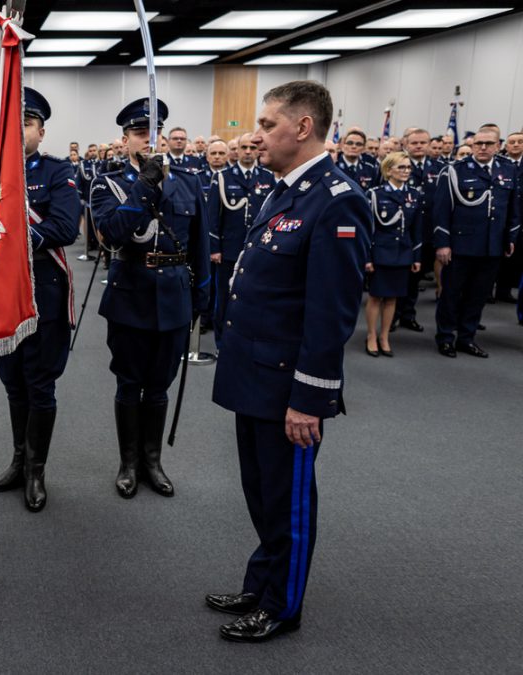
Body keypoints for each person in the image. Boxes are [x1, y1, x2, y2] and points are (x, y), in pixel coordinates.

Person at [209, 81, 369, 643]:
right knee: (262, 492)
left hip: (288, 388)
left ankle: (282, 605)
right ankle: (262, 580)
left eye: (267, 124)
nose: (256, 136)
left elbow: (331, 315)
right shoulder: (284, 189)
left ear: (303, 128)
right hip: (254, 374)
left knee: (289, 501)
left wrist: (310, 398)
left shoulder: (336, 199)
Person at [91, 98, 210, 499]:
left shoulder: (190, 180)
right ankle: (128, 463)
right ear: (125, 140)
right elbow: (113, 233)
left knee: (160, 385)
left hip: (174, 294)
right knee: (129, 383)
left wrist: (200, 298)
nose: (148, 139)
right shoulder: (108, 182)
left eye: (153, 132)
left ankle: (153, 461)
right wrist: (144, 185)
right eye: (140, 133)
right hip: (130, 294)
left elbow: (198, 244)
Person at [0, 88, 79, 512]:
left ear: (40, 130)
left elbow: (64, 226)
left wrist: (15, 237)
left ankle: (37, 471)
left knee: (40, 384)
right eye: (12, 125)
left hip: (43, 291)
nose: (18, 131)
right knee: (12, 383)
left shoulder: (58, 172)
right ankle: (18, 461)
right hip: (3, 293)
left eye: (26, 124)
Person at [432, 128, 520, 357]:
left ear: (498, 145)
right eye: (478, 143)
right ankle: (445, 337)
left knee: (478, 295)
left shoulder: (508, 170)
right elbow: (441, 211)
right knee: (451, 294)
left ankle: (466, 337)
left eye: (488, 143)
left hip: (492, 245)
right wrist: (442, 243)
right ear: (471, 146)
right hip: (460, 245)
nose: (483, 147)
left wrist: (510, 237)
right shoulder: (454, 170)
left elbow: (513, 209)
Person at [205, 132, 276, 344]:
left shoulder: (268, 177)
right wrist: (214, 248)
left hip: (257, 249)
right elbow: (212, 217)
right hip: (229, 248)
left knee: (253, 296)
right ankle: (221, 342)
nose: (247, 152)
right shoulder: (223, 177)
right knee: (224, 297)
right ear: (236, 151)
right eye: (243, 147)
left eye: (252, 148)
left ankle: (244, 340)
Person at [364, 153, 422, 357]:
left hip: (402, 252)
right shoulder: (375, 194)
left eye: (408, 167)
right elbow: (367, 229)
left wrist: (416, 257)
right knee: (375, 296)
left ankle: (384, 336)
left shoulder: (414, 195)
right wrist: (367, 257)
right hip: (380, 252)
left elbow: (417, 230)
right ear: (388, 170)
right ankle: (371, 335)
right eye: (401, 167)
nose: (406, 171)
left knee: (392, 298)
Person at [394, 128, 444, 333]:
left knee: (416, 277)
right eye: (414, 143)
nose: (419, 146)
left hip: (427, 232)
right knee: (400, 277)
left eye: (423, 142)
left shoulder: (439, 168)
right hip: (403, 233)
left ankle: (408, 314)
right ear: (406, 144)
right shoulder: (397, 165)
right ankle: (393, 316)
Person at [493, 130, 523, 303]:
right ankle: (488, 291)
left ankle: (504, 290)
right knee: (494, 255)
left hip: (519, 218)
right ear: (505, 146)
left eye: (520, 142)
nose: (516, 145)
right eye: (512, 142)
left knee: (515, 256)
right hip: (499, 217)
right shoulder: (499, 164)